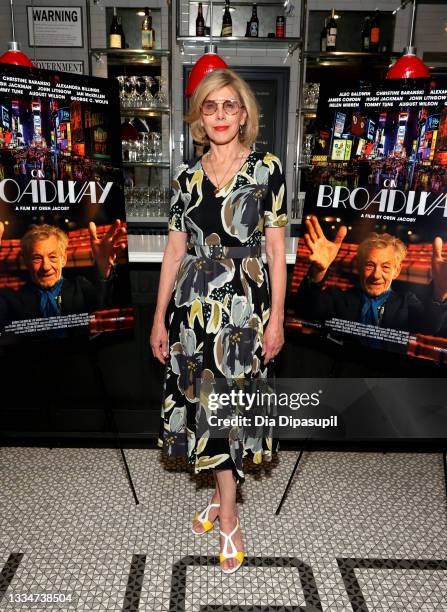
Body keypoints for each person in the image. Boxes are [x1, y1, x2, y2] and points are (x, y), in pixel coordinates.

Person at [150, 68, 288, 574]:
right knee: (206, 405)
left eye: (230, 105)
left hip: (247, 308)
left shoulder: (267, 168)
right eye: (211, 107)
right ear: (199, 118)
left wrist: (276, 320)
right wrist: (159, 318)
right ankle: (222, 502)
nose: (221, 115)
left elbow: (276, 250)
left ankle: (226, 515)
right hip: (192, 309)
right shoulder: (186, 179)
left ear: (245, 114)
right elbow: (173, 251)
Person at [294, 215, 447, 341]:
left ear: (396, 271)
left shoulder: (407, 302)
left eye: (386, 267)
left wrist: (440, 292)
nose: (376, 275)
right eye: (369, 265)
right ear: (360, 267)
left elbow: (429, 326)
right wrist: (317, 271)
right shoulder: (337, 297)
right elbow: (305, 310)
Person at [0, 220, 127, 330]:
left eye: (53, 257)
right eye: (37, 258)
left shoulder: (80, 287)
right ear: (26, 262)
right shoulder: (13, 300)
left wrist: (103, 267)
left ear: (64, 259)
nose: (46, 266)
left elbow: (104, 303)